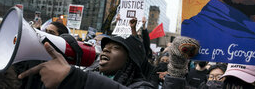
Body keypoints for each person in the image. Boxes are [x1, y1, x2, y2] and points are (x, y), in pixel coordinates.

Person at [18, 35, 154, 89]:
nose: (105, 51)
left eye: (115, 48)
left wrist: (77, 79)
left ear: (130, 61)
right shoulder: (88, 72)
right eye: (105, 48)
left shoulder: (142, 86)